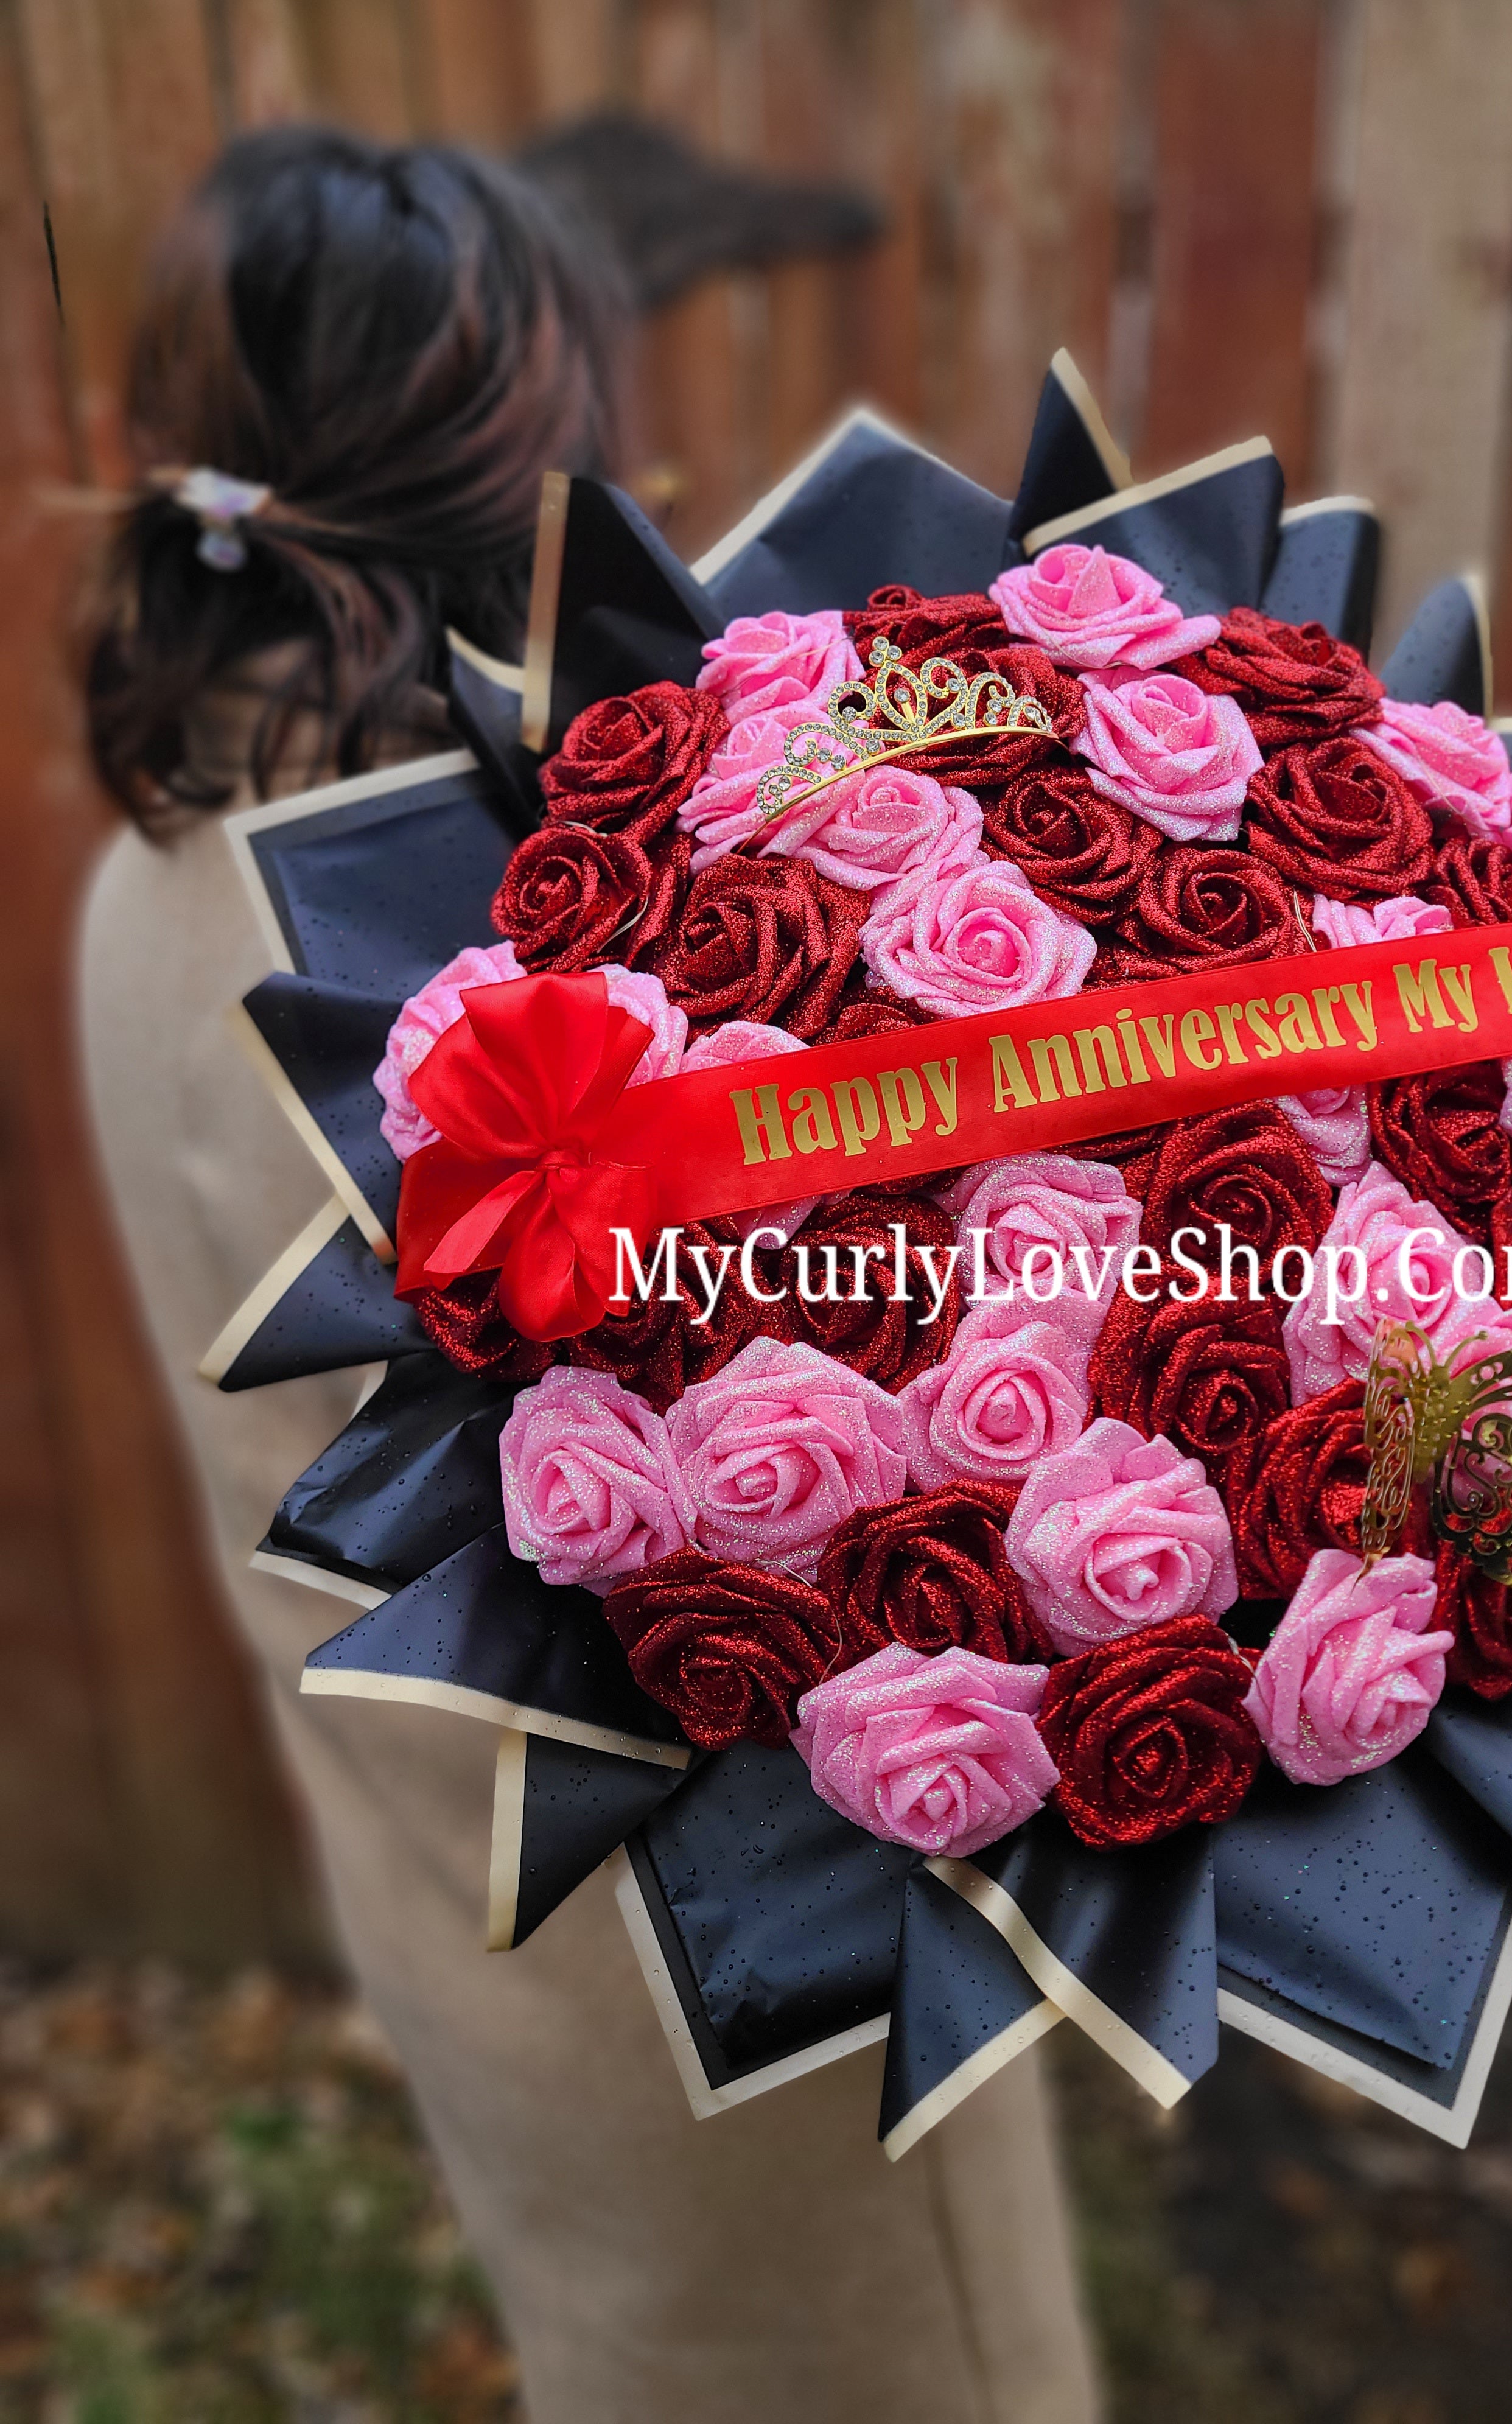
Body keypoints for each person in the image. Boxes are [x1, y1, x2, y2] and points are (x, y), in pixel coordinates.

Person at [78, 127, 1098, 2424]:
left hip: (443, 1862)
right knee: (874, 2365)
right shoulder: (503, 928)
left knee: (630, 2348)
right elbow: (847, 1419)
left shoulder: (149, 885)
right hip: (734, 1928)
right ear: (533, 441)